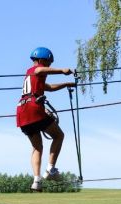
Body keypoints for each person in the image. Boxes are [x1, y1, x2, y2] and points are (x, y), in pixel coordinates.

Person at [16, 47, 77, 192]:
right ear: (42, 60)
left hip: (22, 111)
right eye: (48, 63)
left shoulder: (32, 79)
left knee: (37, 147)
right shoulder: (35, 70)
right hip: (33, 107)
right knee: (58, 135)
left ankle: (36, 180)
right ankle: (50, 170)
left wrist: (66, 84)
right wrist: (62, 71)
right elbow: (39, 70)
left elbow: (48, 87)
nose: (49, 66)